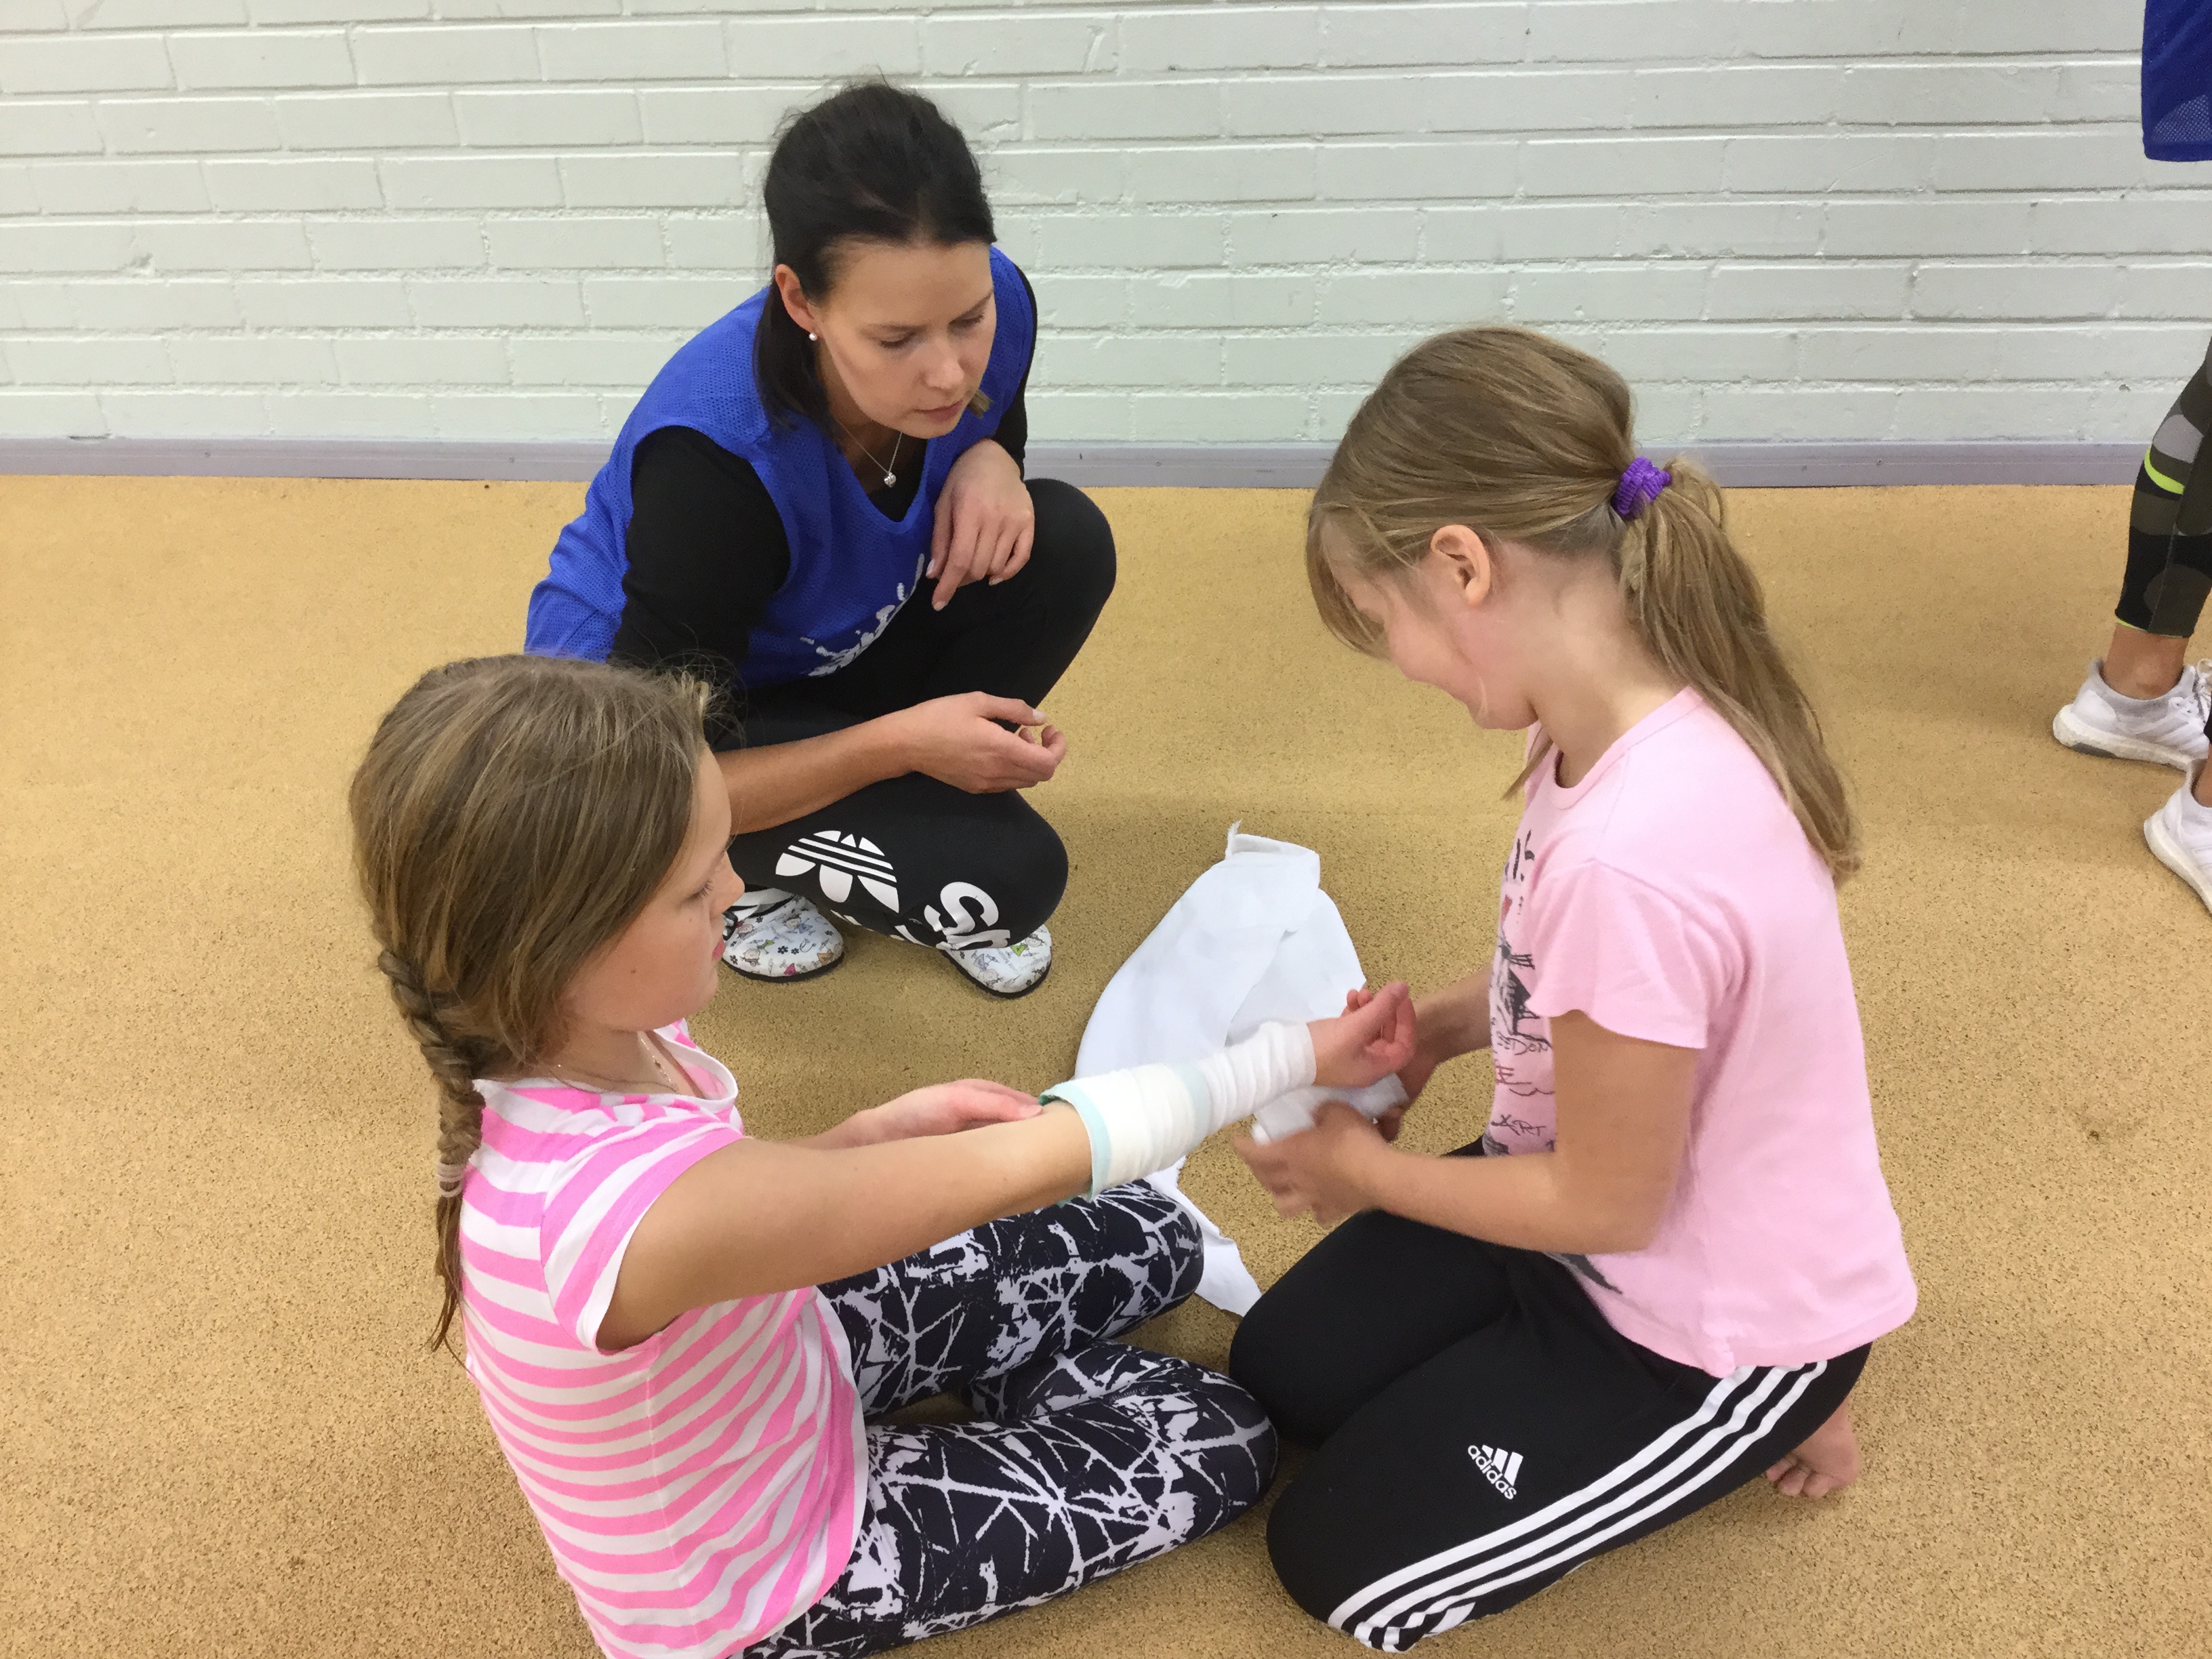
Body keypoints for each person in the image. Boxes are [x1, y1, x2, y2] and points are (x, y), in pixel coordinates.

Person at [348, 653, 1417, 1659]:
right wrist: (1291, 1055)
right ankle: (998, 1388)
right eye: (694, 889)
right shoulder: (624, 1204)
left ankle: (999, 1374)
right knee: (1219, 1434)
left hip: (777, 1350)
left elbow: (733, 1202)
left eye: (720, 854)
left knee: (1155, 1234)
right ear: (563, 947)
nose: (735, 892)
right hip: (767, 1573)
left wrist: (857, 1141)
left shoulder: (572, 1027)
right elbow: (1047, 1156)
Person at [1223, 329, 1919, 1650]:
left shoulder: (1631, 859)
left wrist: (1367, 1175)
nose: (1401, 664)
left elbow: (1608, 1199)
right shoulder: (1618, 717)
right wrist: (1436, 1031)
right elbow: (1591, 996)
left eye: (1384, 622)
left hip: (1691, 1318)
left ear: (1462, 566)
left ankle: (1786, 1393)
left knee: (1337, 1561)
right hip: (1583, 1202)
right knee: (1281, 1374)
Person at [525, 81, 1115, 998]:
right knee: (1006, 883)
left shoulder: (999, 300)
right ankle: (737, 879)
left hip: (811, 654)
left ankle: (866, 809)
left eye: (967, 320)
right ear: (800, 300)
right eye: (897, 339)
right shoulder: (715, 469)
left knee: (1065, 539)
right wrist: (901, 746)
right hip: (634, 749)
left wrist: (994, 456)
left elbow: (993, 401)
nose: (950, 372)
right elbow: (656, 783)